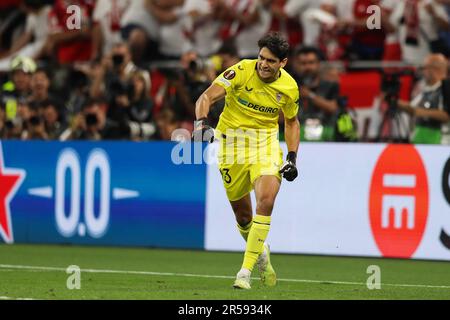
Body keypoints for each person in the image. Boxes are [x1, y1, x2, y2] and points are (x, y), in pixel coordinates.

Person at [193, 32, 300, 289]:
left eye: (271, 61)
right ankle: (261, 252)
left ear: (282, 63)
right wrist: (200, 126)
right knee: (243, 217)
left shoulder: (289, 87)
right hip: (231, 148)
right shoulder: (241, 70)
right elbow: (205, 97)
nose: (263, 64)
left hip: (265, 147)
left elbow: (292, 122)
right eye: (261, 58)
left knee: (266, 200)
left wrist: (292, 158)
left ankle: (245, 271)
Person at [397, 53, 450, 144]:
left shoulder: (446, 88)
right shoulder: (426, 88)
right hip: (422, 140)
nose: (422, 72)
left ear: (434, 69)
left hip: (441, 142)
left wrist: (422, 112)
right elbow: (413, 108)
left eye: (424, 68)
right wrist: (395, 102)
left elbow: (447, 116)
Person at [290, 46, 339, 141]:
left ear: (318, 64)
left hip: (326, 133)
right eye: (303, 63)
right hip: (295, 133)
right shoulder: (289, 86)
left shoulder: (329, 85)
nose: (307, 67)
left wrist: (309, 95)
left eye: (311, 63)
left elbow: (333, 108)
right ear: (296, 65)